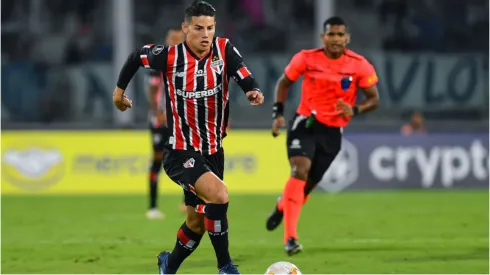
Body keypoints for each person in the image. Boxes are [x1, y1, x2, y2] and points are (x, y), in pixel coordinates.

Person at [112, 1, 264, 273]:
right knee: (219, 196)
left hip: (214, 151)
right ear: (185, 29)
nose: (206, 35)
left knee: (196, 224)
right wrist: (118, 92)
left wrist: (252, 90)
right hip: (180, 151)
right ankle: (225, 267)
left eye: (210, 28)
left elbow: (242, 72)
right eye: (198, 28)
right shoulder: (169, 57)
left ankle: (167, 267)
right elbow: (136, 56)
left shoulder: (223, 49)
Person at [266, 16, 380, 256]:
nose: (336, 39)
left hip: (332, 131)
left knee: (306, 187)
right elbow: (283, 83)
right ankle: (291, 238)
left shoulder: (359, 65)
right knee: (299, 170)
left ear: (347, 38)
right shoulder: (306, 58)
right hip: (305, 123)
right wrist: (278, 113)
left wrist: (356, 109)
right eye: (331, 34)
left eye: (340, 35)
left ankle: (281, 205)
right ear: (323, 37)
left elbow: (374, 99)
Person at [146, 27, 186, 220]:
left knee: (187, 158)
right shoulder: (158, 61)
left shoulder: (188, 62)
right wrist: (158, 112)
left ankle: (187, 202)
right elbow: (153, 90)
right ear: (167, 39)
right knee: (157, 160)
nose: (176, 42)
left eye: (180, 39)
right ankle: (152, 207)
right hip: (160, 120)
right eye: (173, 38)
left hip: (180, 119)